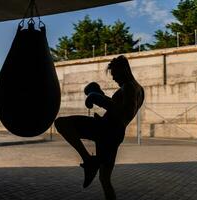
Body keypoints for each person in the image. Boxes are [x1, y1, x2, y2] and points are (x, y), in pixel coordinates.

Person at [54, 55, 144, 200]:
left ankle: (88, 160)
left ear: (124, 70)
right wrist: (101, 97)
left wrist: (99, 99)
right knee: (104, 179)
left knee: (61, 123)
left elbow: (125, 112)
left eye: (115, 74)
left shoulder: (129, 87)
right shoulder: (138, 89)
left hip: (107, 129)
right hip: (114, 134)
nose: (114, 79)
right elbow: (119, 110)